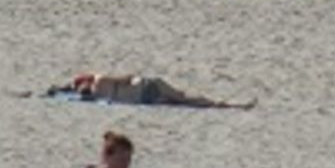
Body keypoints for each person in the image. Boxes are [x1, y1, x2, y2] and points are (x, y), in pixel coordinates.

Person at [68, 72, 252, 109]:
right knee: (180, 99)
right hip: (144, 93)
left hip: (146, 87)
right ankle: (224, 104)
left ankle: (225, 104)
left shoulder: (99, 83)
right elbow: (128, 78)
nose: (81, 89)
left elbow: (127, 79)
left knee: (182, 98)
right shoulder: (94, 92)